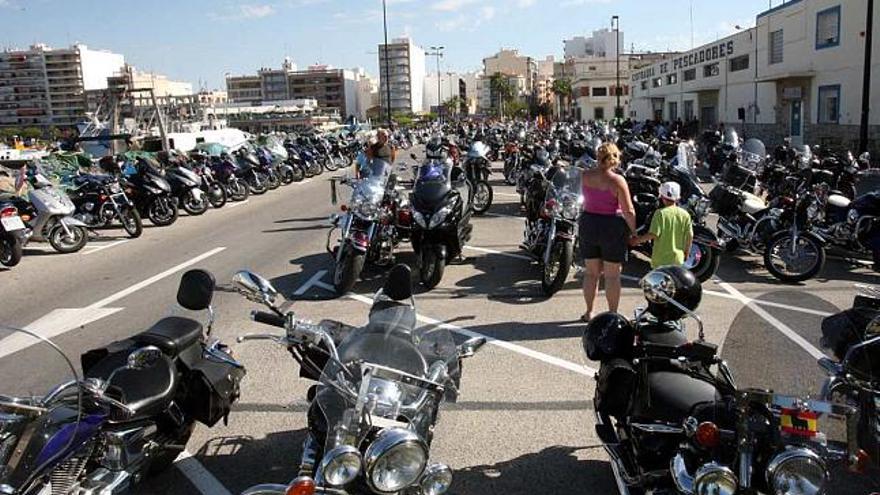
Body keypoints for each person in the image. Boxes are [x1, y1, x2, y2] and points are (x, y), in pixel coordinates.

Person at [579, 142, 637, 322]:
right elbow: (628, 211)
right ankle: (612, 314)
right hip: (611, 226)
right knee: (612, 275)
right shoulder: (617, 181)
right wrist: (634, 231)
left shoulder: (585, 175)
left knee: (591, 273)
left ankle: (589, 312)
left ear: (598, 157)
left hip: (588, 223)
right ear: (615, 158)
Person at [630, 182, 693, 268]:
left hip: (661, 260)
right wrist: (686, 253)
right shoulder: (685, 214)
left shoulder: (660, 213)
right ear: (678, 198)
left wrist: (636, 241)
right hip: (678, 259)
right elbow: (690, 236)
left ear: (662, 197)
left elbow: (653, 234)